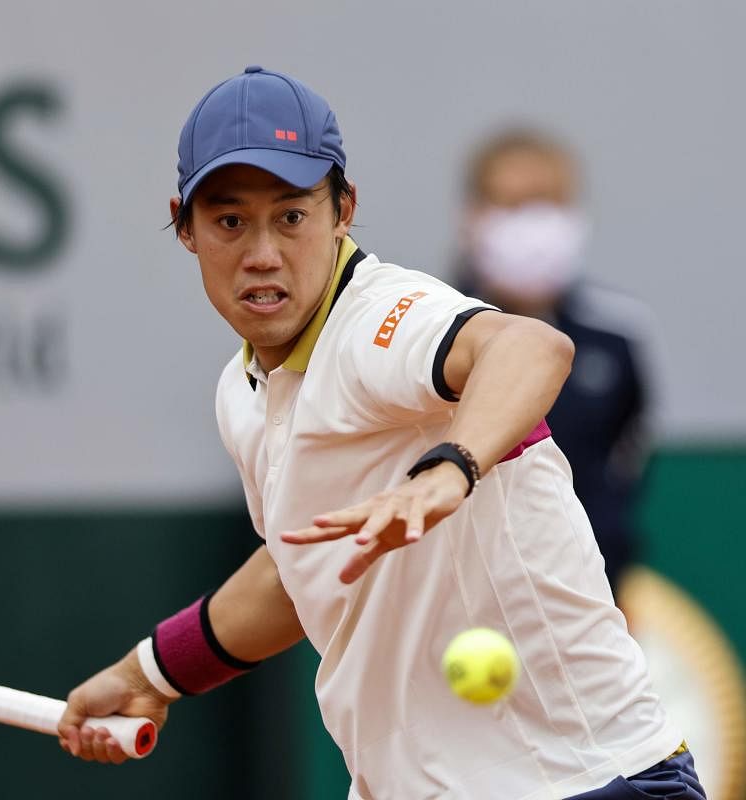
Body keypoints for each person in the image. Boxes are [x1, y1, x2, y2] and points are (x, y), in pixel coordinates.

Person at [56, 66, 702, 799]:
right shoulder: (240, 394)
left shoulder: (380, 320)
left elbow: (530, 347)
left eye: (292, 216)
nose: (262, 252)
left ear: (343, 211)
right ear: (185, 228)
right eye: (230, 221)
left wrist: (449, 469)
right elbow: (297, 567)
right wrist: (148, 673)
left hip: (579, 782)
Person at [454, 129, 655, 601]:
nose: (532, 225)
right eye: (513, 205)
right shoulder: (430, 331)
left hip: (591, 602)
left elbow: (625, 470)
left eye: (546, 204)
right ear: (474, 218)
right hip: (463, 603)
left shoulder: (618, 335)